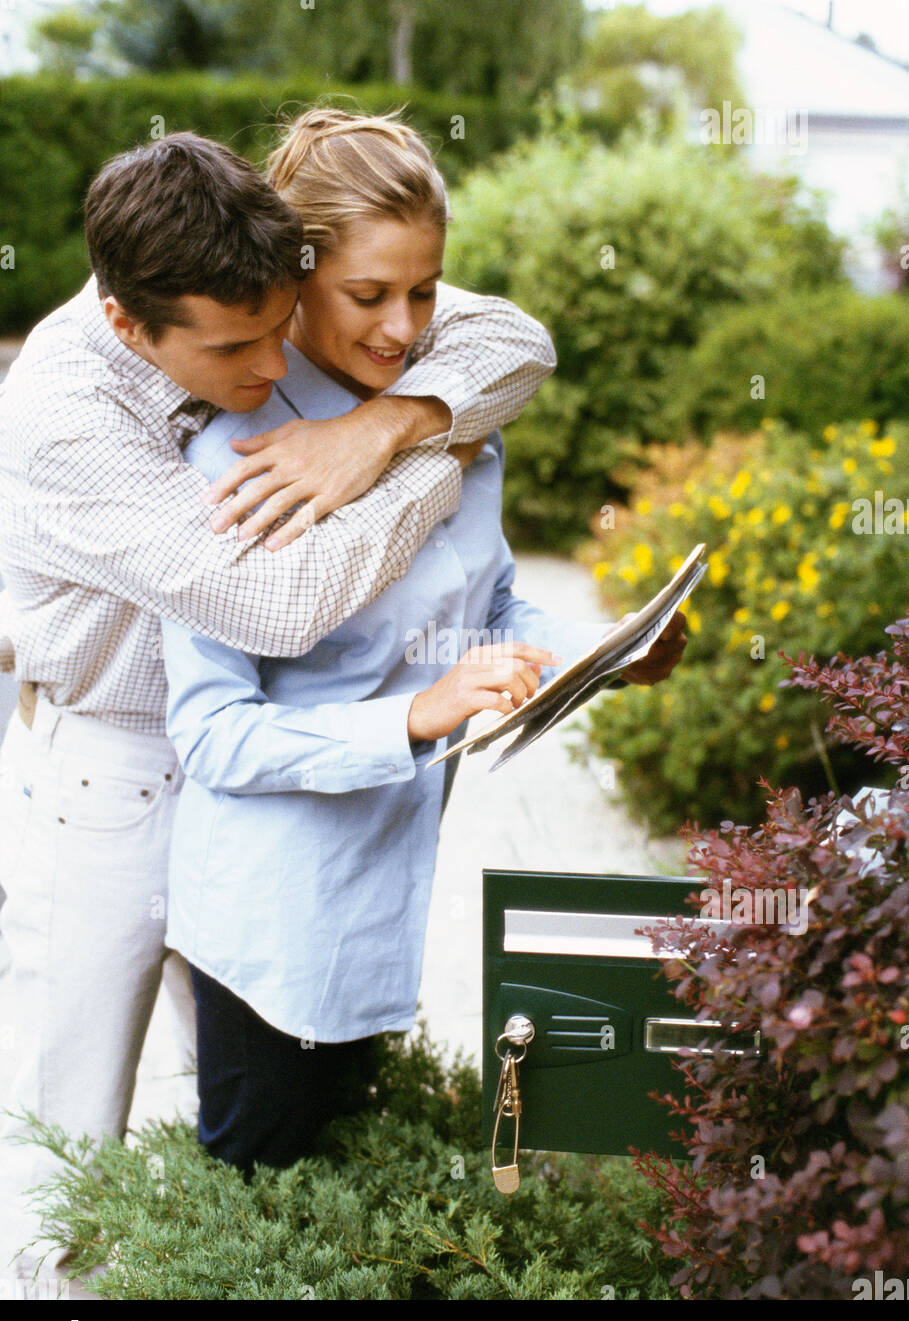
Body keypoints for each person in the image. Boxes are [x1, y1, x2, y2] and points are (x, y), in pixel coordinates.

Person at [0, 129, 557, 1294]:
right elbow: (279, 595)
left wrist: (382, 422)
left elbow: (513, 337)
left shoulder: (249, 278)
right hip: (118, 766)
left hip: (257, 781)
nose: (272, 364)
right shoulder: (66, 413)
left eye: (281, 320)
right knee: (68, 1125)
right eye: (237, 345)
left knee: (255, 1112)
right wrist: (437, 456)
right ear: (132, 329)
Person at [160, 109, 688, 1175]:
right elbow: (211, 734)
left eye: (425, 290)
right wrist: (417, 712)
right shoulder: (233, 459)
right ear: (292, 277)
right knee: (256, 1209)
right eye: (369, 295)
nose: (405, 327)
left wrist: (603, 650)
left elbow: (486, 607)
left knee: (346, 1198)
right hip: (268, 922)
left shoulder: (451, 419)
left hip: (387, 886)